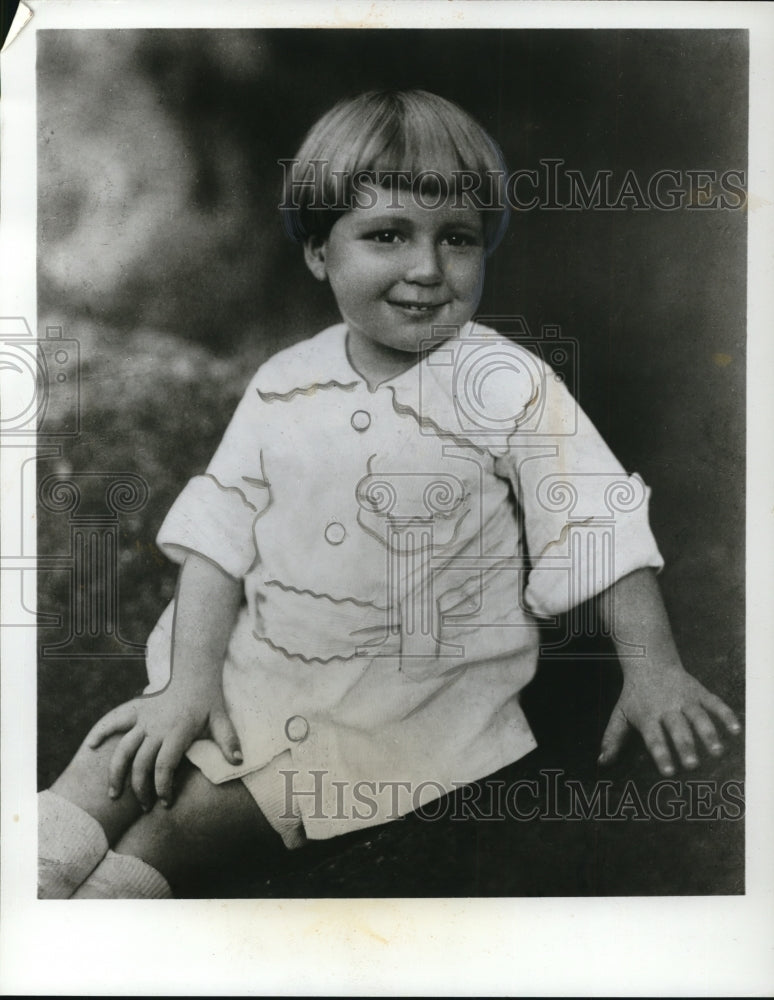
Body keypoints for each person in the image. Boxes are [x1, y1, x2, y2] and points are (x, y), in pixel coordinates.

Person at [38, 90, 741, 899]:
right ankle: (31, 891)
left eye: (458, 240)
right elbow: (217, 543)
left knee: (188, 821)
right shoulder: (283, 384)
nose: (427, 269)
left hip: (408, 705)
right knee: (114, 759)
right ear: (317, 253)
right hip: (263, 664)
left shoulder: (505, 382)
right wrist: (185, 687)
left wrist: (653, 670)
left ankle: (102, 915)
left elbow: (595, 516)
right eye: (386, 236)